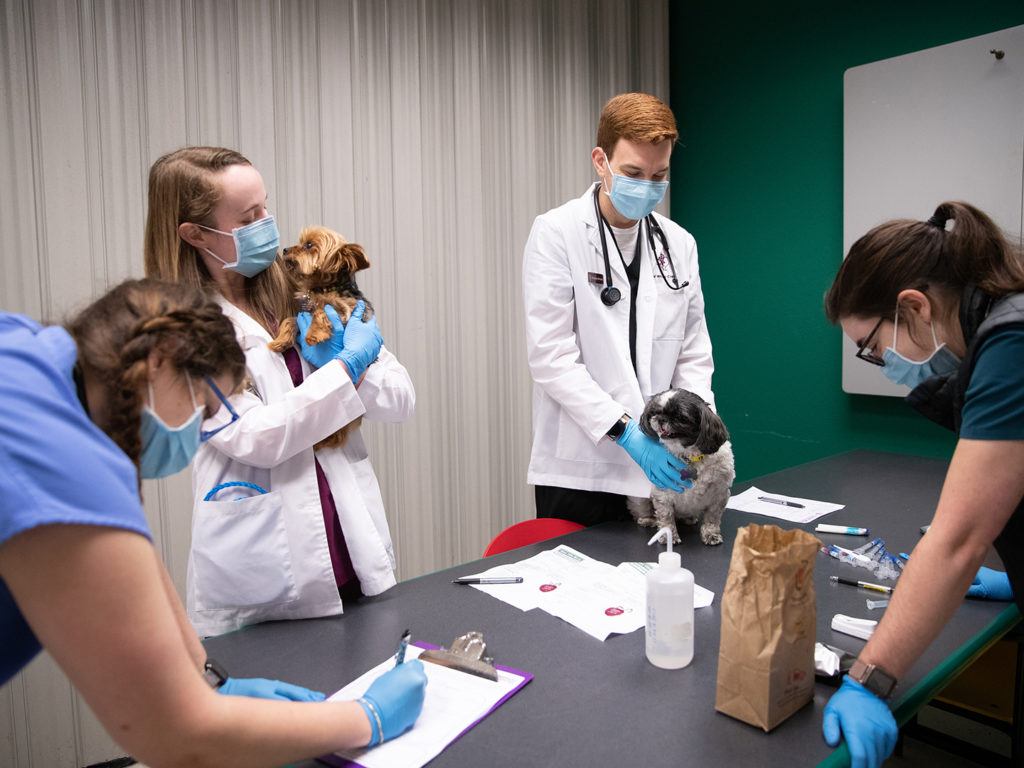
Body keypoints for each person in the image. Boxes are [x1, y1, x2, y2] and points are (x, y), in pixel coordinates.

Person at [0, 279, 426, 767]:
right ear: (159, 361)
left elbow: (137, 557)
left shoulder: (28, 351)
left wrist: (209, 678)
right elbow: (178, 735)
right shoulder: (61, 464)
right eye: (205, 407)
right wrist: (365, 718)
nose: (203, 426)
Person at [145, 147, 415, 637]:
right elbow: (257, 438)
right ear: (194, 234)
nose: (268, 224)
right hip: (264, 577)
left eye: (265, 207)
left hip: (350, 548)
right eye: (249, 217)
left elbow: (400, 399)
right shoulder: (183, 330)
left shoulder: (302, 290)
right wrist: (348, 365)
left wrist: (359, 364)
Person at [821, 201, 1024, 768]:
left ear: (914, 305)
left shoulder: (1012, 345)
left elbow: (957, 539)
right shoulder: (1005, 323)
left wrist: (869, 680)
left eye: (873, 346)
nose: (880, 362)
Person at [522, 92, 715, 526]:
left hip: (664, 463)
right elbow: (551, 357)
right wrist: (626, 431)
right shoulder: (558, 233)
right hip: (581, 466)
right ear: (600, 161)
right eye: (633, 173)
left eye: (658, 174)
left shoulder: (679, 244)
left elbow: (693, 350)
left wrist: (699, 428)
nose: (647, 186)